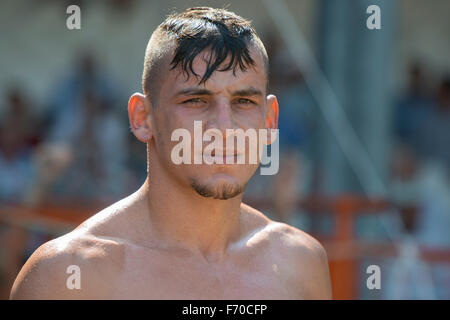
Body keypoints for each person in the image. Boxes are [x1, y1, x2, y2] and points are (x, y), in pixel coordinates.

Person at [10, 7, 332, 299]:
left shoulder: (299, 263)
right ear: (142, 118)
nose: (224, 127)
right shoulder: (68, 275)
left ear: (269, 120)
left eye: (243, 102)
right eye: (196, 101)